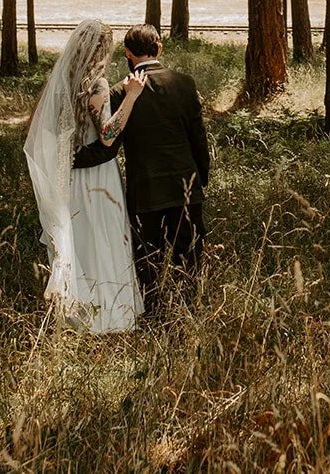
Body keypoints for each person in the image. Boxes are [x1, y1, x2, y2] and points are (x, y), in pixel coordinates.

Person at [71, 24, 209, 314]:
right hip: (186, 184)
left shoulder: (121, 92)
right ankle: (188, 310)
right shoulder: (185, 83)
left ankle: (154, 311)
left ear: (128, 54)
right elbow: (199, 139)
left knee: (148, 257)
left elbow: (110, 144)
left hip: (145, 189)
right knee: (189, 254)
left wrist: (70, 160)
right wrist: (201, 180)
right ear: (159, 47)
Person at [23, 20, 148, 332]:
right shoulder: (98, 84)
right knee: (103, 235)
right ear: (101, 50)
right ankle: (108, 313)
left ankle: (76, 309)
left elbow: (42, 129)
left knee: (81, 239)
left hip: (71, 175)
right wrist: (131, 96)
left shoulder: (62, 80)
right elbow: (107, 135)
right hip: (98, 175)